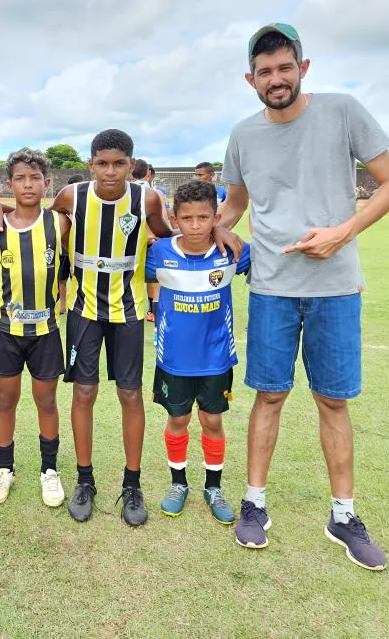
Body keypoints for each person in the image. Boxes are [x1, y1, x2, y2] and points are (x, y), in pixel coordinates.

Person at [219, 23, 389, 570]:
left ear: (303, 68)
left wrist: (341, 231)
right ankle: (254, 505)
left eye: (284, 68)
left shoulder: (342, 111)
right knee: (269, 395)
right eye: (264, 71)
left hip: (335, 288)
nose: (275, 79)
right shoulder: (242, 134)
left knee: (332, 399)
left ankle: (343, 515)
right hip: (272, 287)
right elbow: (234, 205)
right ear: (249, 78)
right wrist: (213, 231)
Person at [0, 130, 240, 526]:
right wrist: (0, 208)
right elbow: (42, 222)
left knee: (130, 395)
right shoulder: (73, 197)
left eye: (119, 163)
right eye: (102, 163)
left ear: (131, 163)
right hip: (84, 311)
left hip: (129, 311)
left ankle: (132, 484)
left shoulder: (148, 198)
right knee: (84, 393)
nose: (111, 171)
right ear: (90, 165)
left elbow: (169, 236)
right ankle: (85, 481)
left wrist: (216, 230)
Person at [0, 148, 71, 507]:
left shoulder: (61, 223)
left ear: (47, 182)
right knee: (6, 399)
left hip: (46, 333)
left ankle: (49, 470)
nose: (28, 184)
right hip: (5, 330)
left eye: (35, 178)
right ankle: (5, 468)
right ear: (8, 185)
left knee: (47, 401)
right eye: (20, 179)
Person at [145, 180, 249, 525]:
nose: (194, 225)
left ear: (215, 217)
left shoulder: (231, 250)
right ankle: (178, 484)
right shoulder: (159, 252)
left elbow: (268, 266)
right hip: (173, 358)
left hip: (216, 358)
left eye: (203, 218)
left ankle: (213, 487)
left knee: (213, 420)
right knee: (177, 420)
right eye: (186, 218)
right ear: (174, 218)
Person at [133, 160, 164, 324]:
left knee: (132, 277)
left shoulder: (125, 192)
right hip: (153, 242)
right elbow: (163, 220)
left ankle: (132, 310)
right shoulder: (155, 193)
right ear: (148, 173)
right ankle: (154, 312)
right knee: (156, 279)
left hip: (131, 244)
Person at [57, 173, 85, 314]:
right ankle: (62, 305)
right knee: (61, 279)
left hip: (80, 249)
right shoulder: (62, 204)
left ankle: (77, 303)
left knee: (78, 277)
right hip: (64, 248)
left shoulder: (88, 204)